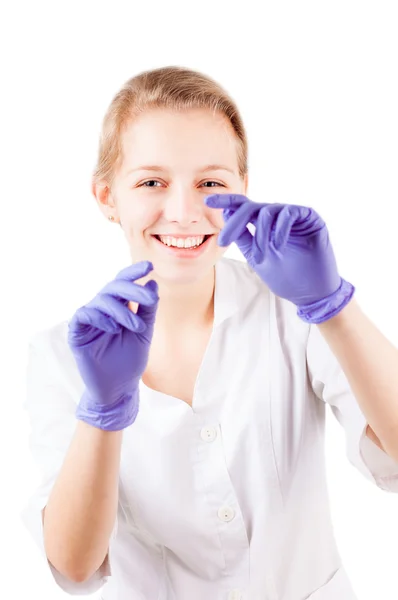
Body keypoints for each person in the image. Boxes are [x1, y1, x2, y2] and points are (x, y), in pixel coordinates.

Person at [21, 65, 398, 600]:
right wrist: (102, 413)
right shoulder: (62, 356)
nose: (183, 211)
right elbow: (75, 567)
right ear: (107, 197)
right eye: (152, 181)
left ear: (244, 189)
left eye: (211, 183)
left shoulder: (289, 309)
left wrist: (331, 305)